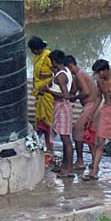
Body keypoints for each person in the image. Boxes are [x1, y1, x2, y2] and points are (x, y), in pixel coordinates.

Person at [65, 55, 101, 170]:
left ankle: (80, 161)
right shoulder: (78, 74)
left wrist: (75, 97)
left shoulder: (80, 74)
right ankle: (94, 160)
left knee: (77, 131)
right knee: (89, 133)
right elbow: (75, 89)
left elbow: (85, 92)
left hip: (91, 106)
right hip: (92, 105)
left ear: (70, 67)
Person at [42, 49, 74, 178]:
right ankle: (65, 167)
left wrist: (48, 90)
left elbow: (65, 95)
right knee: (64, 138)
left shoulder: (60, 76)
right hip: (62, 107)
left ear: (54, 61)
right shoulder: (65, 71)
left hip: (62, 106)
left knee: (66, 139)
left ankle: (69, 169)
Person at [28, 36, 54, 163]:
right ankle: (41, 147)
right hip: (39, 92)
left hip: (47, 92)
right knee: (40, 123)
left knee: (48, 122)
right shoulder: (37, 57)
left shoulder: (48, 55)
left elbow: (55, 73)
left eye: (33, 50)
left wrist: (46, 87)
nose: (33, 53)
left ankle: (50, 149)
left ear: (38, 49)